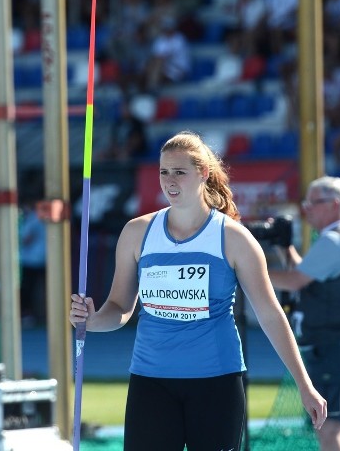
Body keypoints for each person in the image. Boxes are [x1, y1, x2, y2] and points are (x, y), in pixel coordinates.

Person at [69, 131, 326, 451]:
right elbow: (120, 306)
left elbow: (271, 314)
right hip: (151, 382)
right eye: (164, 171)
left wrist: (304, 385)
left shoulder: (233, 238)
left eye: (179, 171)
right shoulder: (137, 233)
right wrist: (91, 320)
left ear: (203, 173)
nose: (169, 180)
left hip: (216, 382)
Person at [267, 176, 340, 451]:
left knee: (329, 428)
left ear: (334, 205)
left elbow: (294, 281)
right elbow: (306, 274)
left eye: (313, 203)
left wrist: (246, 270)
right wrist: (284, 245)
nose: (307, 209)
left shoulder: (333, 241)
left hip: (335, 345)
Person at [19, 200, 47, 327]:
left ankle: (29, 316)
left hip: (31, 261)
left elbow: (26, 239)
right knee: (36, 290)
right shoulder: (41, 217)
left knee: (28, 290)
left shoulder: (33, 218)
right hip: (42, 259)